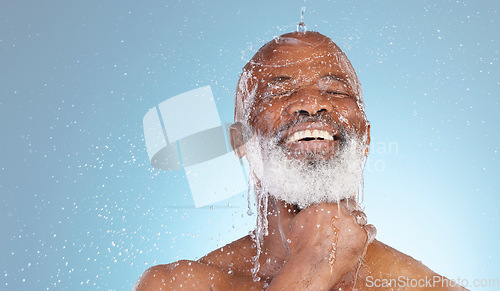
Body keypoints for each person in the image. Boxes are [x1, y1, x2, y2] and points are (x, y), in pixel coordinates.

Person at [135, 31, 467, 290]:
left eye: (335, 91)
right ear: (240, 141)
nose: (310, 103)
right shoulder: (174, 286)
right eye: (280, 92)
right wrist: (312, 264)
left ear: (366, 138)